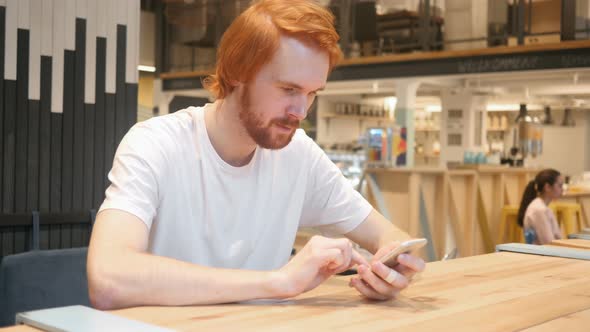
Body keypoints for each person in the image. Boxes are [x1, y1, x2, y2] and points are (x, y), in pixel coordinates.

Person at [87, 0, 425, 310]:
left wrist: (393, 268)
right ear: (237, 72)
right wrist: (279, 282)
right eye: (288, 89)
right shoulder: (155, 144)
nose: (300, 110)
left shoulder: (299, 155)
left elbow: (394, 238)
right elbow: (108, 278)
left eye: (312, 93)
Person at [517, 169, 564, 245]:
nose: (562, 189)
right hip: (542, 254)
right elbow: (549, 243)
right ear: (547, 187)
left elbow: (558, 237)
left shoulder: (544, 208)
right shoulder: (538, 210)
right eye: (560, 185)